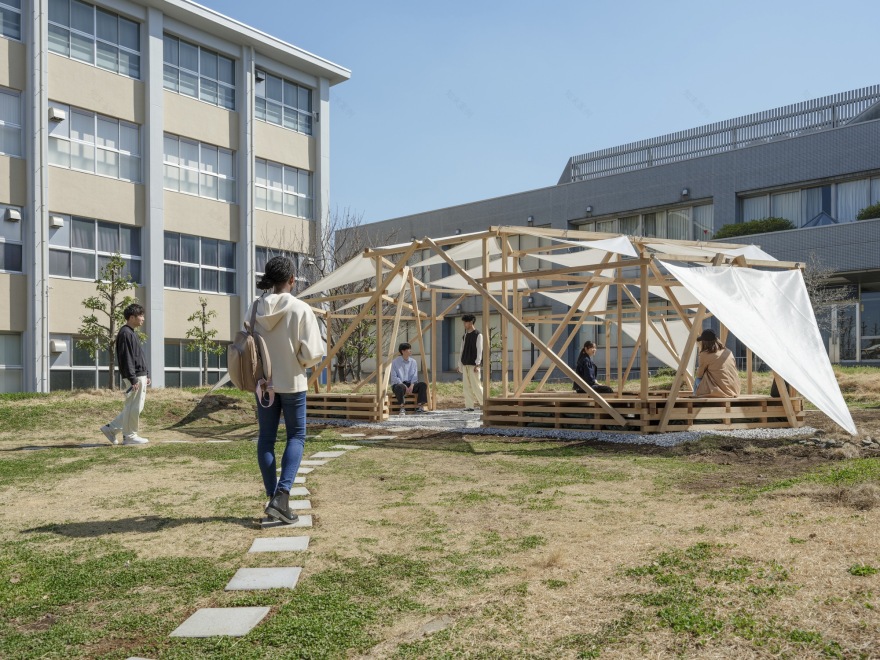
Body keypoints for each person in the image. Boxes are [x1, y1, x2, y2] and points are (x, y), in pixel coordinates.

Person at [249, 256, 325, 524]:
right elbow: (312, 354)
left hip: (263, 385)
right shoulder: (301, 309)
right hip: (292, 381)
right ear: (292, 279)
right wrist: (298, 361)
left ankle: (273, 497)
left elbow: (248, 346)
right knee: (296, 436)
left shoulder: (254, 308)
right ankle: (281, 497)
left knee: (266, 439)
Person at [101, 303, 151, 446]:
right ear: (131, 317)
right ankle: (130, 436)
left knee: (136, 407)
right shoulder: (125, 333)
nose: (143, 318)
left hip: (138, 375)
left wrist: (146, 373)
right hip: (134, 376)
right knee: (132, 407)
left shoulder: (131, 333)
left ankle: (111, 429)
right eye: (140, 315)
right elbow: (126, 358)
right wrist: (133, 378)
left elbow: (138, 356)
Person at [692, 329, 741, 398]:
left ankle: (695, 398)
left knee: (698, 379)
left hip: (719, 392)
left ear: (704, 342)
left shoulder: (705, 354)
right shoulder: (728, 352)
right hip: (734, 390)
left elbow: (699, 375)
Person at [389, 342, 428, 415]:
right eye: (408, 349)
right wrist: (404, 385)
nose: (410, 351)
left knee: (423, 385)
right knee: (399, 387)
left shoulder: (413, 362)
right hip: (399, 384)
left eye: (410, 349)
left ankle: (419, 406)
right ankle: (402, 407)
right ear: (403, 351)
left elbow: (415, 375)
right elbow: (394, 377)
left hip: (410, 384)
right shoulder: (395, 362)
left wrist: (412, 385)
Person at [457, 314, 484, 411]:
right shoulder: (465, 336)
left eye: (466, 322)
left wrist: (478, 364)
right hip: (465, 364)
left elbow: (479, 350)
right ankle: (469, 406)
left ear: (471, 322)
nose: (464, 324)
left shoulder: (478, 335)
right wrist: (459, 364)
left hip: (473, 365)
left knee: (476, 385)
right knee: (466, 387)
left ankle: (484, 404)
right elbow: (461, 351)